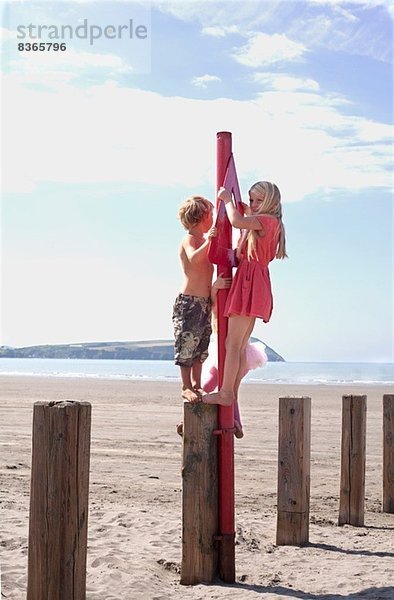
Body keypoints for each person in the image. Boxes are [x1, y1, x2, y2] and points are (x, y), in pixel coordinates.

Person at [203, 181, 287, 407]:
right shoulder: (271, 223)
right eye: (252, 200)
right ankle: (231, 392)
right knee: (238, 345)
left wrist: (228, 201)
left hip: (250, 282)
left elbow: (236, 221)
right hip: (255, 281)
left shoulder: (267, 221)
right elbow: (244, 241)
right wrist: (247, 211)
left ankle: (226, 393)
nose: (254, 204)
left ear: (272, 201)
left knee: (232, 344)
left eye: (260, 200)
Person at [202, 274, 267, 438]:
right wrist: (216, 287)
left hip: (231, 356)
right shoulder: (232, 311)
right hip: (243, 356)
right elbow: (214, 304)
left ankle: (189, 418)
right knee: (231, 393)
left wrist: (215, 288)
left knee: (208, 388)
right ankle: (236, 423)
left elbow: (213, 305)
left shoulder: (224, 312)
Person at [172, 195, 217, 403]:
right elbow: (194, 258)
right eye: (212, 213)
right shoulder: (191, 239)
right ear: (202, 217)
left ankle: (197, 384)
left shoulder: (205, 241)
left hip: (204, 303)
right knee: (187, 344)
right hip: (189, 302)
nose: (214, 218)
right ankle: (186, 386)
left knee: (201, 347)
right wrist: (209, 241)